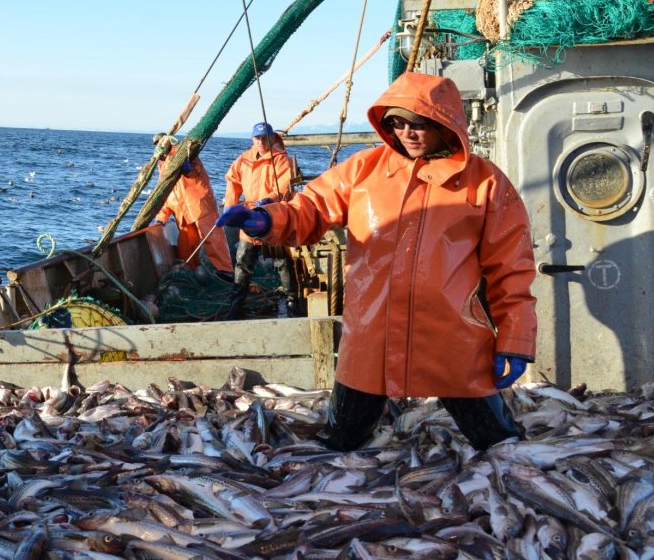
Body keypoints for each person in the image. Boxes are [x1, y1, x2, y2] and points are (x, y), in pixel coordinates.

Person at [217, 73, 536, 452]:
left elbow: (510, 269)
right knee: (340, 443)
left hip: (454, 336)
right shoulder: (363, 169)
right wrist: (266, 220)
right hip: (370, 332)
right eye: (396, 122)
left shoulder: (486, 182)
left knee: (501, 446)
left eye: (419, 123)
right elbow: (310, 208)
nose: (407, 133)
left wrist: (515, 339)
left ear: (446, 122)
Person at [222, 122, 300, 319]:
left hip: (274, 218)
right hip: (250, 219)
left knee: (282, 262)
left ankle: (292, 302)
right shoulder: (243, 159)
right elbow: (232, 181)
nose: (261, 142)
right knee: (243, 262)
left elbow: (284, 186)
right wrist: (230, 207)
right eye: (258, 138)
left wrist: (269, 200)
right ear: (252, 139)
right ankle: (236, 306)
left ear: (272, 138)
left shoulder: (281, 160)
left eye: (265, 138)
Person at [152, 134, 233, 277]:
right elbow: (166, 193)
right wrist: (161, 217)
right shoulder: (162, 165)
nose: (160, 145)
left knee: (213, 238)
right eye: (157, 143)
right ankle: (190, 271)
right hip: (181, 212)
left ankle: (225, 270)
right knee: (186, 245)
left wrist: (188, 169)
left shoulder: (185, 154)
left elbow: (194, 172)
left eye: (161, 142)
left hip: (201, 205)